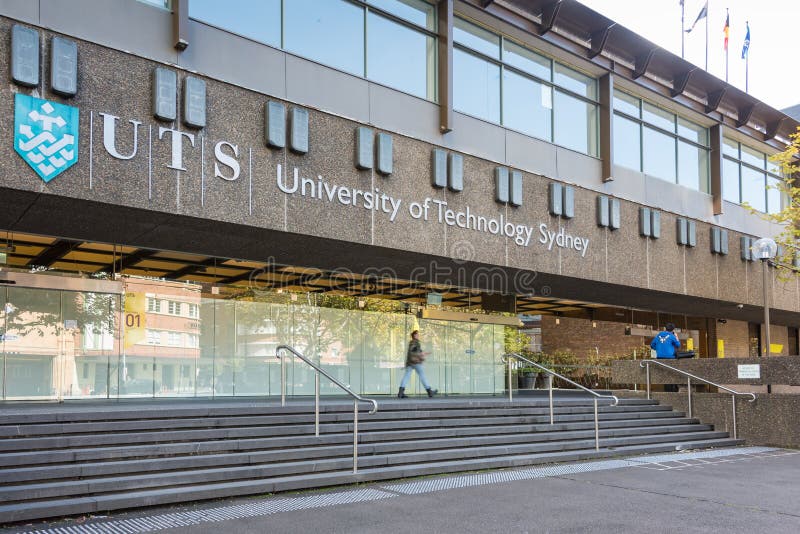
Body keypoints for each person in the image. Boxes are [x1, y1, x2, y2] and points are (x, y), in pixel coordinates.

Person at [398, 330, 438, 398]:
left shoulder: (413, 343)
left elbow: (415, 351)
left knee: (406, 376)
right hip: (415, 362)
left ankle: (401, 392)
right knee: (422, 376)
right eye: (417, 334)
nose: (418, 335)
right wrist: (421, 355)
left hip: (410, 362)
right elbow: (414, 352)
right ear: (414, 335)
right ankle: (429, 391)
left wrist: (424, 353)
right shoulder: (415, 342)